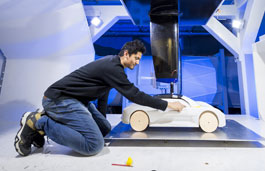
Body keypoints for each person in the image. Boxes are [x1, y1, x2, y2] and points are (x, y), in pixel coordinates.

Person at [14, 40, 186, 156]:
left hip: (75, 101)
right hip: (59, 99)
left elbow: (103, 94)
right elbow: (134, 94)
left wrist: (99, 121)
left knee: (104, 129)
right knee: (94, 145)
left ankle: (50, 119)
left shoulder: (112, 65)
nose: (138, 62)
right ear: (126, 54)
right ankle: (40, 122)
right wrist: (167, 104)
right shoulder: (113, 68)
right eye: (136, 58)